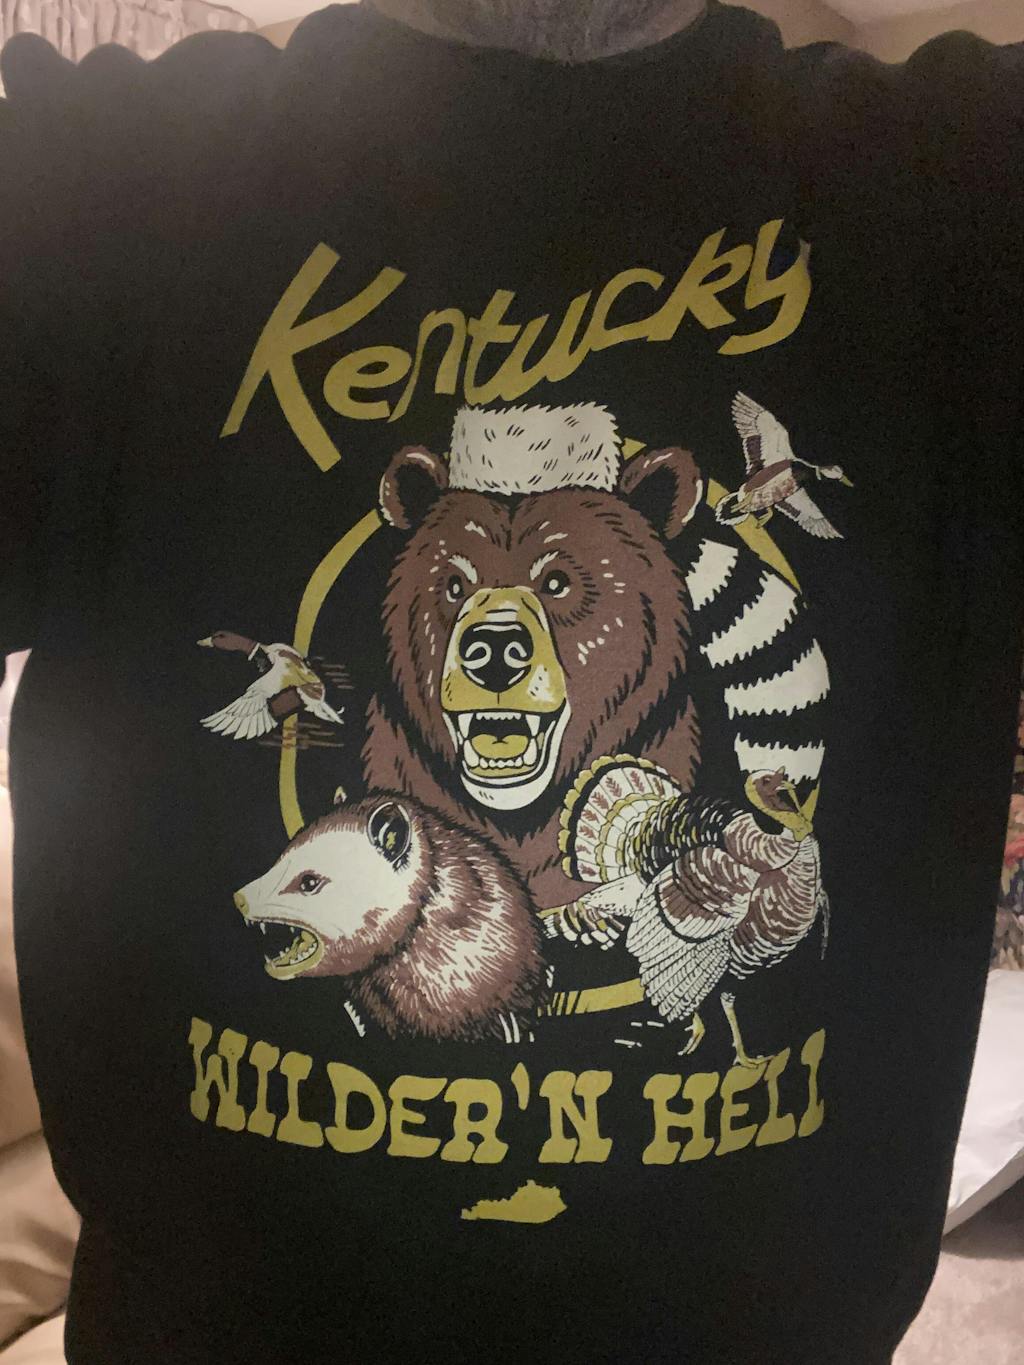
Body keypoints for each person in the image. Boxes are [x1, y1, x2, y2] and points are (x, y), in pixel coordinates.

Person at [0, 3, 1021, 1361]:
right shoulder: (86, 202)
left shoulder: (971, 198)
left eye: (557, 590)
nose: (494, 634)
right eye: (464, 596)